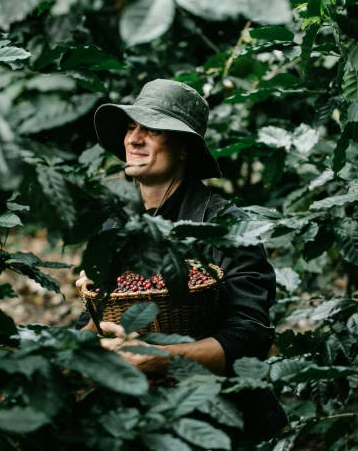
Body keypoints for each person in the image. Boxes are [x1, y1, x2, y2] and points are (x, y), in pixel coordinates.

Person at [74, 79, 288, 442]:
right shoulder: (116, 225)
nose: (134, 139)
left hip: (217, 420)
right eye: (130, 127)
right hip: (132, 419)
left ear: (185, 147)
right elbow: (87, 329)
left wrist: (162, 358)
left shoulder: (227, 225)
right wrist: (96, 302)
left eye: (152, 130)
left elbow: (248, 336)